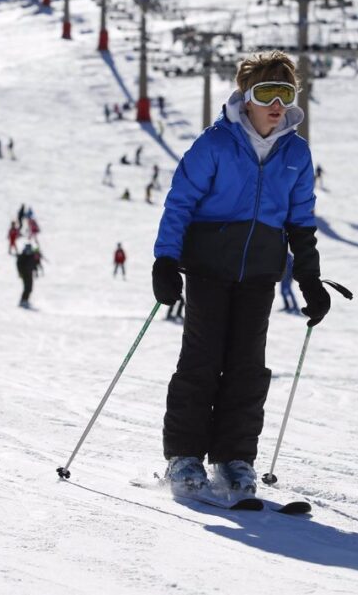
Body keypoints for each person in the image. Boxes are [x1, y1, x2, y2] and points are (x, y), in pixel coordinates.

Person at [152, 50, 331, 496]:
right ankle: (184, 455)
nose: (276, 103)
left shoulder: (296, 152)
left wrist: (309, 278)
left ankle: (235, 458)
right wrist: (166, 260)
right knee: (202, 359)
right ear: (245, 97)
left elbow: (302, 221)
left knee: (247, 367)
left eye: (284, 93)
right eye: (265, 92)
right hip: (209, 268)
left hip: (259, 274)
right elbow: (181, 203)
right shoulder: (214, 143)